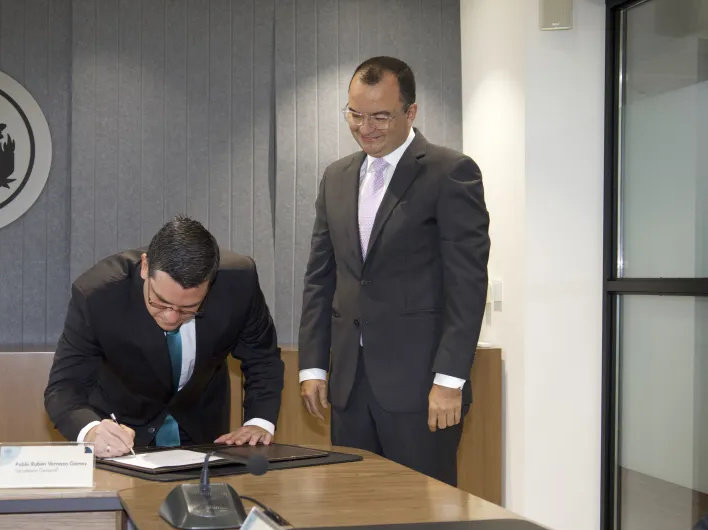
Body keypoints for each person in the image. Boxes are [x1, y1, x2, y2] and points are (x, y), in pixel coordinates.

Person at [298, 56, 490, 485]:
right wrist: (313, 366)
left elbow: (467, 284)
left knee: (422, 511)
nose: (365, 127)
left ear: (411, 112)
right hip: (349, 387)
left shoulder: (450, 173)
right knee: (353, 507)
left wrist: (450, 380)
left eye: (380, 116)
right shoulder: (336, 177)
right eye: (355, 114)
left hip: (422, 389)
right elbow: (320, 278)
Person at [44, 215, 284, 458]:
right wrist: (91, 431)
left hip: (204, 434)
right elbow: (64, 388)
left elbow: (262, 358)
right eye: (160, 302)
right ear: (145, 267)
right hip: (121, 438)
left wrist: (259, 421)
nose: (171, 318)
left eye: (189, 309)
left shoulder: (239, 282)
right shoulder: (98, 294)